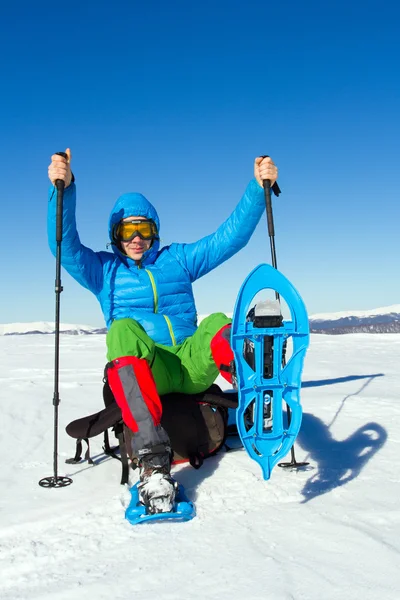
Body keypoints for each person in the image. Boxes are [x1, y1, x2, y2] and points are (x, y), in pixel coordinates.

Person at [47, 150, 278, 513]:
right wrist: (65, 187)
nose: (137, 238)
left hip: (190, 366)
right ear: (115, 234)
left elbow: (228, 239)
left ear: (155, 231)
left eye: (144, 229)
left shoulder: (178, 259)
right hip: (148, 371)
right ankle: (153, 465)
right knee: (122, 329)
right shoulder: (103, 272)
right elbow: (65, 246)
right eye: (127, 230)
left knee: (218, 322)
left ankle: (258, 399)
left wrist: (256, 188)